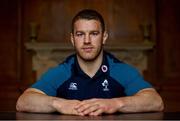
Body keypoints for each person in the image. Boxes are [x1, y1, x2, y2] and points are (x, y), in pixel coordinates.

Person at [16, 9, 164, 116]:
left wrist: (115, 104)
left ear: (104, 37)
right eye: (80, 34)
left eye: (94, 33)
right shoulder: (63, 71)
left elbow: (156, 102)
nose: (87, 41)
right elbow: (23, 101)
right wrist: (60, 104)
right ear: (73, 39)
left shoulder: (119, 70)